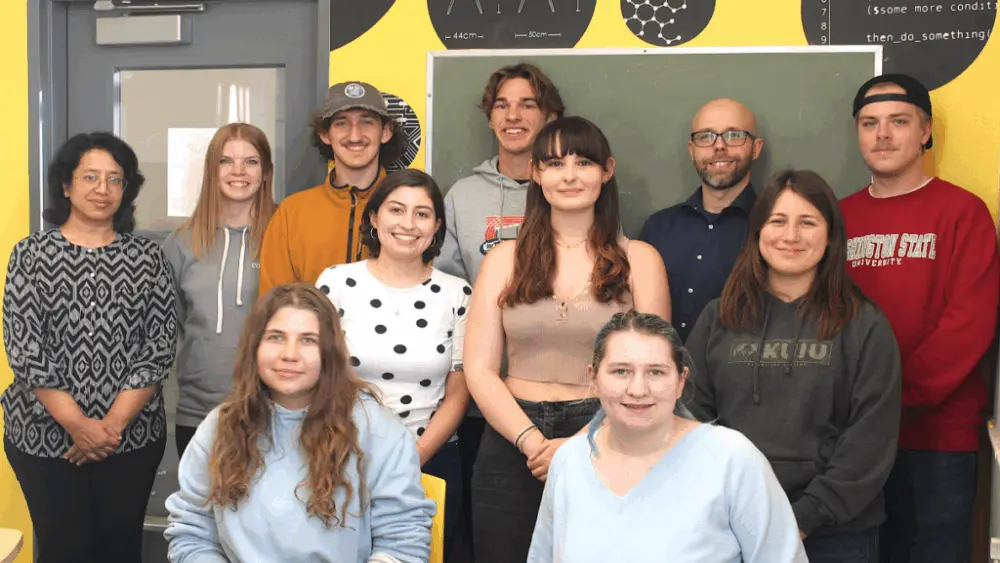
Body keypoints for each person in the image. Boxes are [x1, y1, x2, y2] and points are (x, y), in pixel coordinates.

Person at [464, 115, 671, 563]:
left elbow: (655, 372)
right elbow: (479, 368)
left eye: (583, 162)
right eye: (555, 164)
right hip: (509, 438)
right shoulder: (503, 260)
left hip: (609, 432)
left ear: (607, 170)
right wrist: (533, 443)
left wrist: (581, 442)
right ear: (536, 174)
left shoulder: (641, 260)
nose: (570, 176)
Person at [686, 169, 903, 562]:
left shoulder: (865, 324)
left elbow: (870, 439)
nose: (791, 236)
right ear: (757, 233)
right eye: (778, 221)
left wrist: (799, 519)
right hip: (730, 526)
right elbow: (689, 421)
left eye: (808, 222)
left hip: (836, 533)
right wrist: (739, 514)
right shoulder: (717, 318)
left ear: (831, 236)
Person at [839, 73, 1000, 563]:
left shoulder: (963, 213)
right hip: (851, 444)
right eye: (870, 123)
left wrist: (890, 401)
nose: (882, 135)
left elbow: (967, 327)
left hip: (937, 442)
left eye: (898, 122)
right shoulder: (834, 217)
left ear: (925, 131)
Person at [163, 283, 435, 562]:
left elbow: (402, 544)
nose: (290, 354)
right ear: (254, 346)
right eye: (276, 337)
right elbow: (192, 533)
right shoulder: (220, 427)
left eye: (308, 340)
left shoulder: (376, 429)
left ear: (329, 351)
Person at [2, 132, 177, 562]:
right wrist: (78, 424)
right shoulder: (31, 255)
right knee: (63, 550)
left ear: (126, 189)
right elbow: (25, 348)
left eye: (114, 179)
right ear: (66, 185)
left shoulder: (148, 259)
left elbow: (158, 347)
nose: (103, 189)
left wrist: (110, 427)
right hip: (44, 439)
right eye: (90, 177)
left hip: (130, 441)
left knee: (119, 549)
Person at [527, 309, 808, 562]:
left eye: (656, 372)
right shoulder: (569, 460)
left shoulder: (731, 459)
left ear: (681, 381)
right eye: (621, 371)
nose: (638, 389)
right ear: (594, 377)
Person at [434, 62, 566, 550]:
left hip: (555, 399)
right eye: (502, 105)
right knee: (482, 536)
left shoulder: (569, 189)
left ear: (549, 115)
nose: (514, 115)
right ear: (489, 117)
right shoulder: (462, 196)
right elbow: (445, 292)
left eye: (528, 104)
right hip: (474, 400)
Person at [315, 169, 470, 558]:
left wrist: (411, 458)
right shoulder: (336, 283)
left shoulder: (458, 293)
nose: (408, 224)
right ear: (373, 218)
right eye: (396, 210)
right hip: (340, 456)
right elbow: (314, 377)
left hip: (429, 459)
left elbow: (458, 393)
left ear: (437, 227)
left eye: (422, 214)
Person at [163, 122, 277, 457]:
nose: (238, 171)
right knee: (202, 510)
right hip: (198, 413)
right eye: (226, 161)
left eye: (251, 161)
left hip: (273, 413)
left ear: (266, 171)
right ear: (212, 170)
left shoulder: (284, 233)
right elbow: (170, 328)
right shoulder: (183, 241)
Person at [258, 80, 406, 294]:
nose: (354, 135)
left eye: (366, 122)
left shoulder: (408, 209)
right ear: (325, 134)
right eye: (341, 123)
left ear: (385, 132)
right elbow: (274, 304)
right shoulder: (292, 213)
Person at [639, 98, 764, 342]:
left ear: (756, 148)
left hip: (740, 378)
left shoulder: (774, 231)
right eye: (706, 137)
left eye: (734, 135)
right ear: (691, 150)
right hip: (662, 376)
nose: (719, 146)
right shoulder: (658, 229)